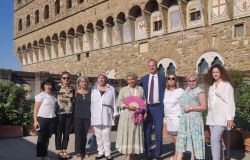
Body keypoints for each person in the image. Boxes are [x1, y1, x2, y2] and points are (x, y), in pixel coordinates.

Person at [206, 64, 235, 160]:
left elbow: (230, 102)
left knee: (214, 139)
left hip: (222, 117)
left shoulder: (227, 85)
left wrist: (230, 117)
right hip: (211, 118)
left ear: (221, 72)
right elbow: (210, 104)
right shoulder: (211, 87)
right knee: (217, 141)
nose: (215, 74)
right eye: (213, 72)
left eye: (217, 72)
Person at [176, 73, 207, 160]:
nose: (191, 82)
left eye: (193, 80)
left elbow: (204, 107)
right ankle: (179, 157)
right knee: (182, 139)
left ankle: (193, 158)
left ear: (197, 81)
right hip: (184, 120)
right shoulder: (186, 90)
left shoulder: (200, 91)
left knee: (194, 140)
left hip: (194, 120)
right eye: (189, 81)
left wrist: (191, 108)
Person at [140, 59, 166, 160]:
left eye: (153, 65)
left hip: (158, 108)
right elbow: (139, 92)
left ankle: (158, 154)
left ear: (156, 67)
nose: (151, 67)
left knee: (159, 132)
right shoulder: (144, 79)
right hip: (147, 108)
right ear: (148, 67)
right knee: (147, 131)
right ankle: (148, 153)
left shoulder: (163, 78)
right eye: (150, 66)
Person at [116, 72, 146, 160]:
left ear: (136, 79)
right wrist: (127, 106)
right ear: (127, 81)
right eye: (129, 80)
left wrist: (145, 112)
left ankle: (132, 154)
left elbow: (144, 101)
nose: (131, 81)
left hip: (138, 115)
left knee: (135, 133)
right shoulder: (123, 90)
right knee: (127, 134)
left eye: (132, 79)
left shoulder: (140, 89)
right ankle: (128, 155)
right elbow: (119, 102)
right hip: (126, 115)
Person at [91, 74, 119, 160]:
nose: (101, 80)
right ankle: (100, 152)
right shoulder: (93, 90)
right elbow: (91, 104)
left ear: (105, 79)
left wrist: (115, 113)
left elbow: (115, 101)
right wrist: (90, 116)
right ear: (97, 80)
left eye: (102, 78)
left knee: (106, 135)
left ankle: (108, 153)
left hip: (107, 113)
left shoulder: (111, 89)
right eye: (99, 78)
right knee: (98, 135)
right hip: (96, 115)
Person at [33, 79, 57, 160]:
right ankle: (39, 156)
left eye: (50, 85)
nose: (48, 86)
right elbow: (35, 109)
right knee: (41, 138)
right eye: (46, 85)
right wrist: (35, 121)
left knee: (47, 138)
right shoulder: (40, 96)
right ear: (43, 86)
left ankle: (45, 155)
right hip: (42, 118)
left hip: (52, 119)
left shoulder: (53, 97)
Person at [163, 73, 184, 160]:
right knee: (174, 138)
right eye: (169, 78)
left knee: (177, 138)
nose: (171, 80)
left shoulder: (180, 91)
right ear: (167, 81)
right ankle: (176, 154)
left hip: (177, 117)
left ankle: (179, 156)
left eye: (173, 78)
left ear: (176, 80)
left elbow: (184, 104)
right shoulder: (165, 91)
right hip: (168, 118)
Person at [55, 71, 74, 159]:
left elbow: (74, 101)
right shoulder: (56, 88)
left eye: (67, 78)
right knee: (59, 133)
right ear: (61, 79)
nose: (66, 79)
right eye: (64, 78)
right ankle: (59, 150)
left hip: (69, 114)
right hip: (60, 113)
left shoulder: (72, 89)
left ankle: (64, 149)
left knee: (67, 133)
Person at [74, 76, 92, 160]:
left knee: (84, 135)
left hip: (87, 116)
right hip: (77, 116)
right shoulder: (75, 92)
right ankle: (78, 153)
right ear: (79, 83)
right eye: (81, 82)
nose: (83, 83)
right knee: (78, 135)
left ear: (87, 83)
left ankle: (83, 151)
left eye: (85, 82)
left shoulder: (91, 92)